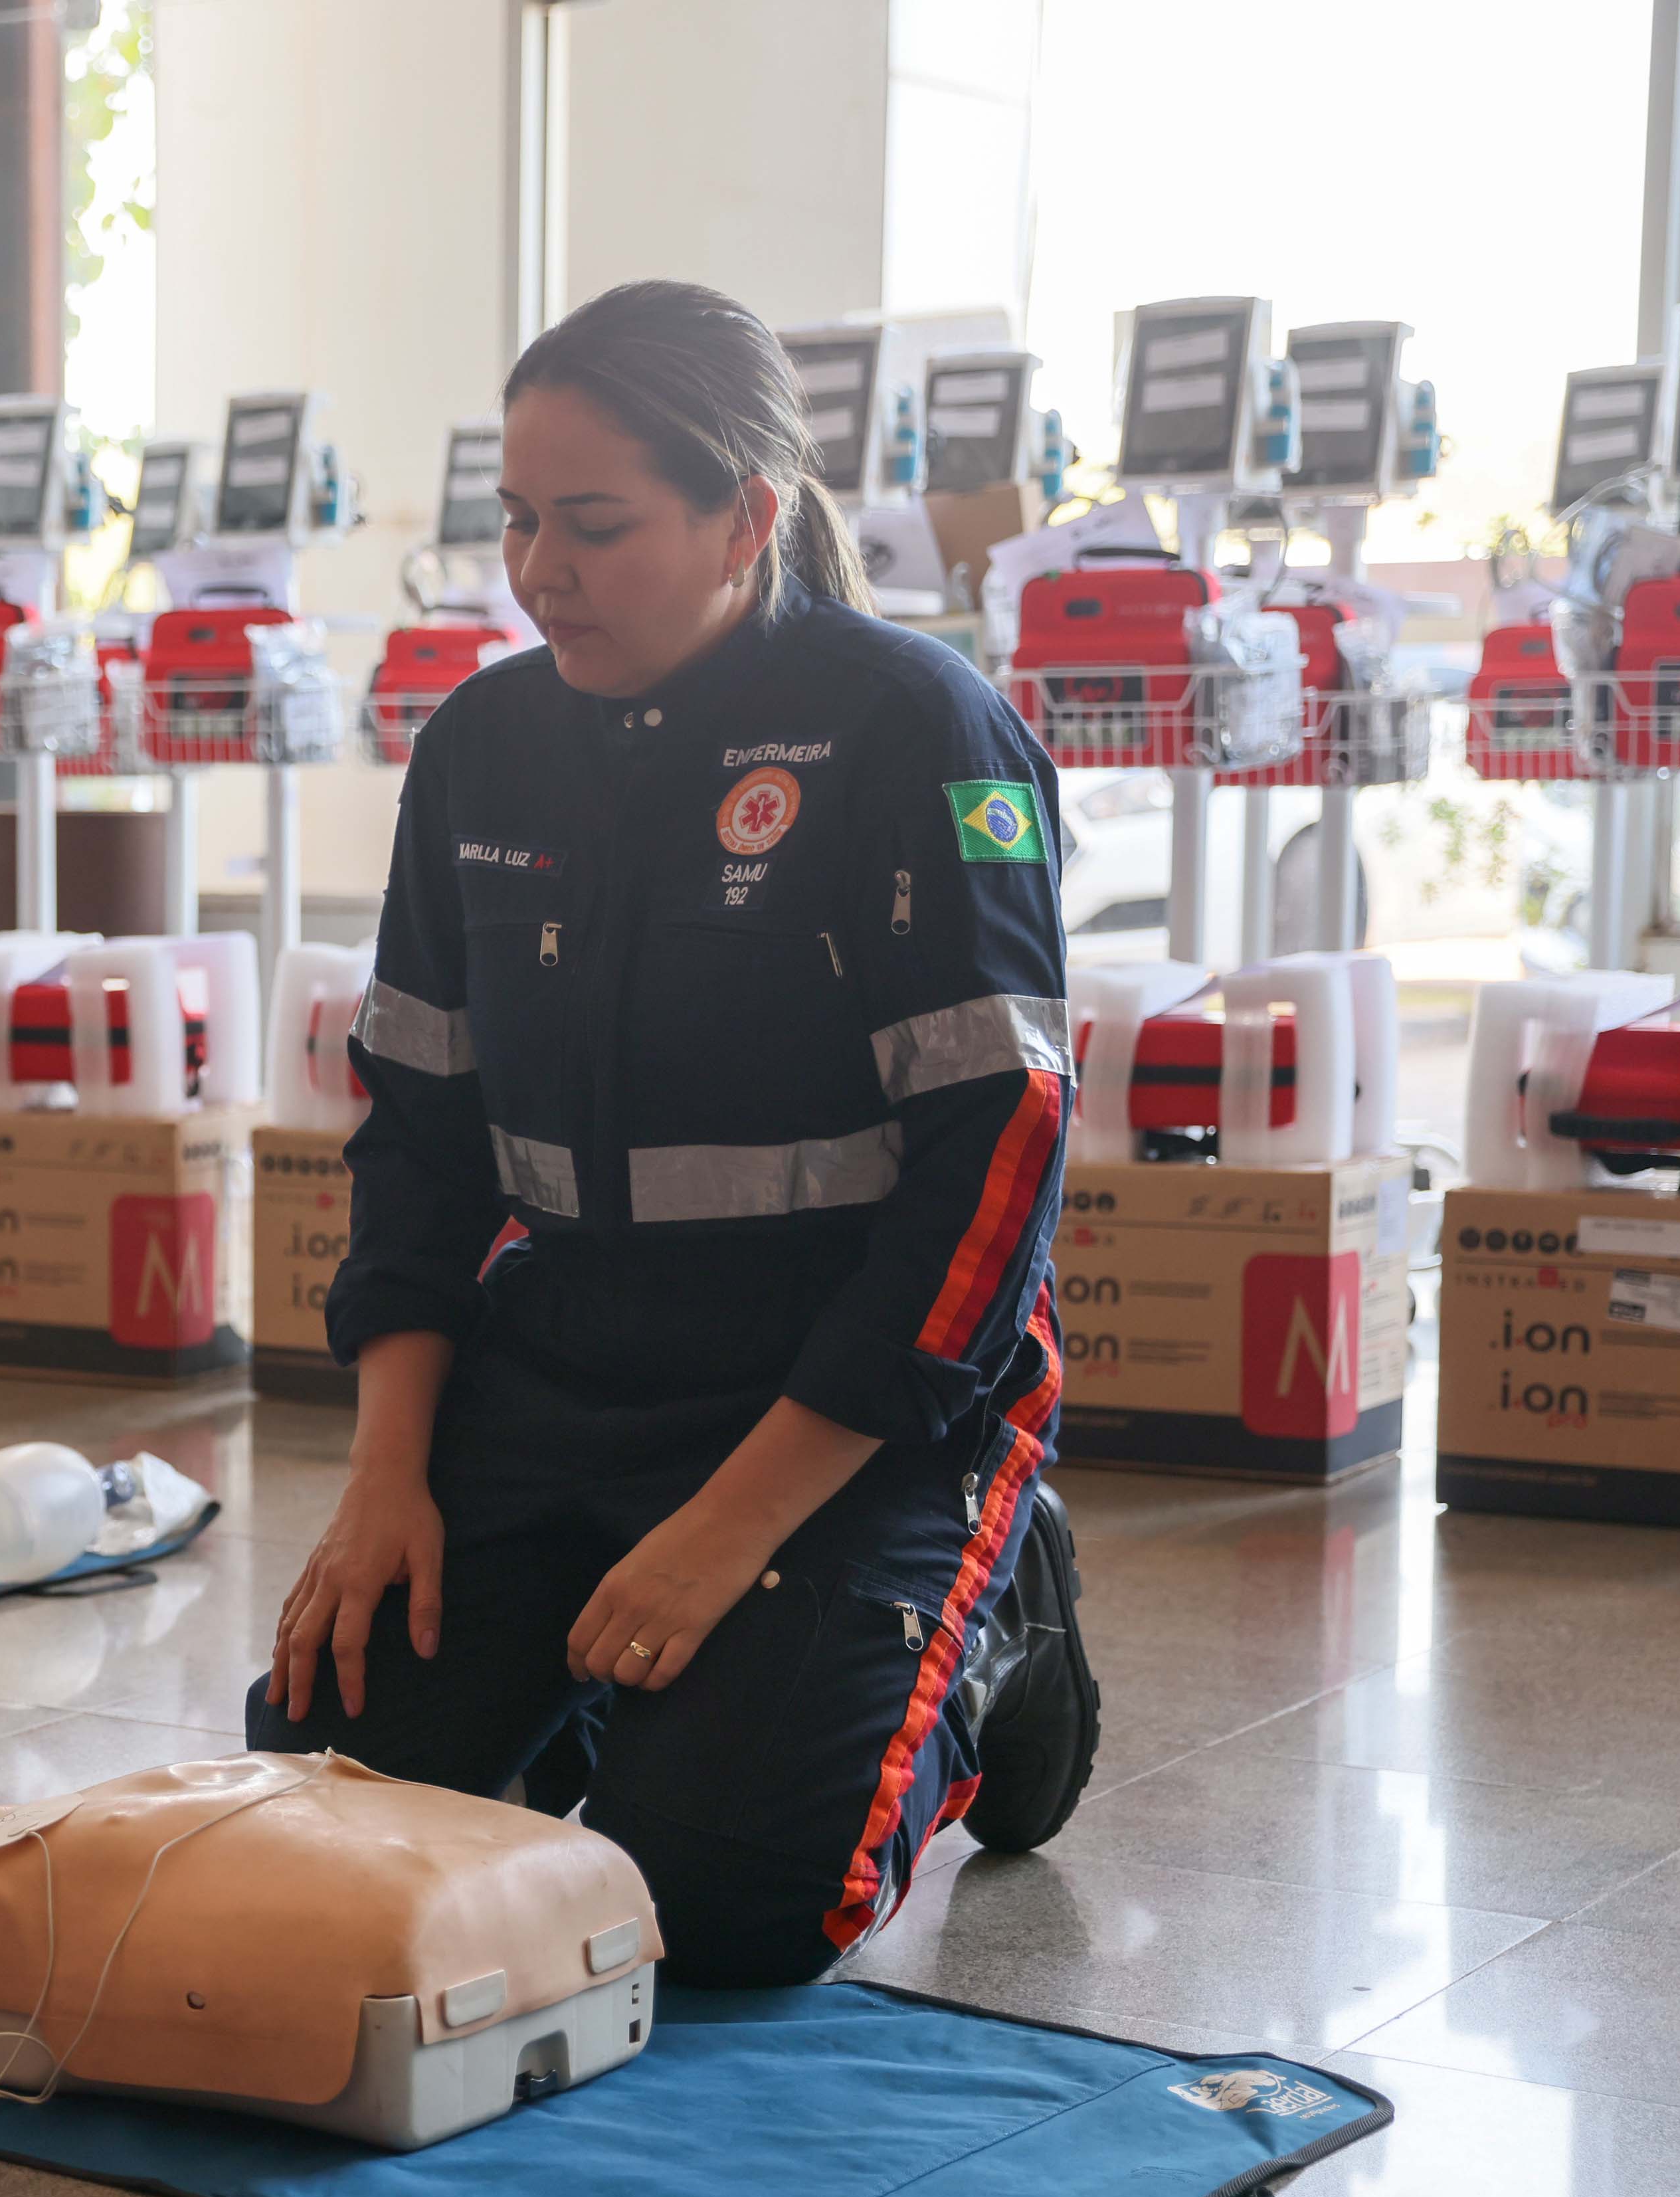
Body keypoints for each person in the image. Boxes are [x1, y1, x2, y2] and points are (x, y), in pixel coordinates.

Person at [257, 280, 1101, 1987]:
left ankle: (1002, 1624)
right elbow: (418, 1140)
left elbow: (993, 1159)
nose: (539, 570)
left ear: (747, 518)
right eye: (517, 519)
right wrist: (384, 1479)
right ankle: (623, 1692)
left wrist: (731, 1528)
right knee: (321, 1804)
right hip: (562, 1372)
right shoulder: (482, 750)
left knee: (721, 1902)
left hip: (852, 1405)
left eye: (596, 526)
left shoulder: (918, 731)